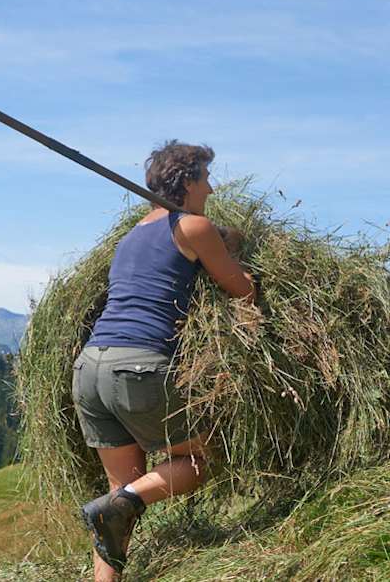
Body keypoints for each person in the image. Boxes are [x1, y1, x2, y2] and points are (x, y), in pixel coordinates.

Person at [73, 140, 255, 580]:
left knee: (120, 495)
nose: (211, 188)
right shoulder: (193, 225)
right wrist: (235, 253)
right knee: (199, 462)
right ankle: (121, 507)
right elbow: (242, 289)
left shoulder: (133, 234)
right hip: (138, 365)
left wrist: (221, 238)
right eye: (206, 178)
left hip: (90, 367)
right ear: (188, 180)